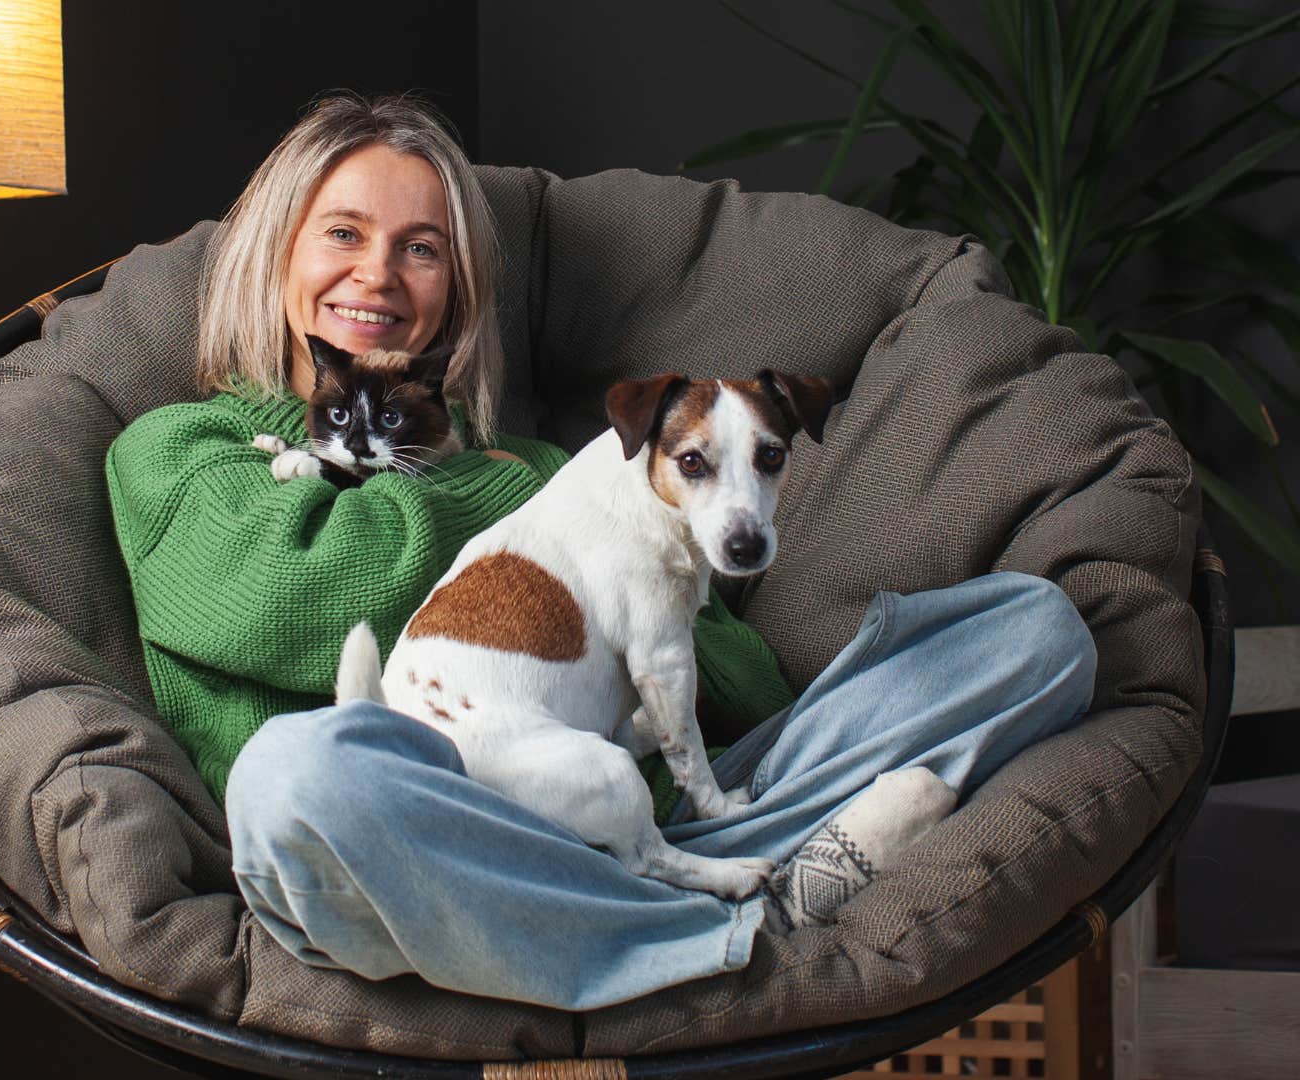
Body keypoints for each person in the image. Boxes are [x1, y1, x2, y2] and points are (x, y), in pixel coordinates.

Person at [104, 93, 1097, 1011]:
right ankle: (734, 923)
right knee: (291, 771)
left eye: (421, 249)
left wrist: (640, 628)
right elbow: (293, 600)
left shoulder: (569, 465)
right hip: (404, 849)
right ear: (277, 252)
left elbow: (744, 680)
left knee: (1036, 630)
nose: (378, 274)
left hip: (662, 818)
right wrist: (526, 515)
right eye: (344, 234)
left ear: (455, 289)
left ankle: (707, 898)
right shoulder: (182, 450)